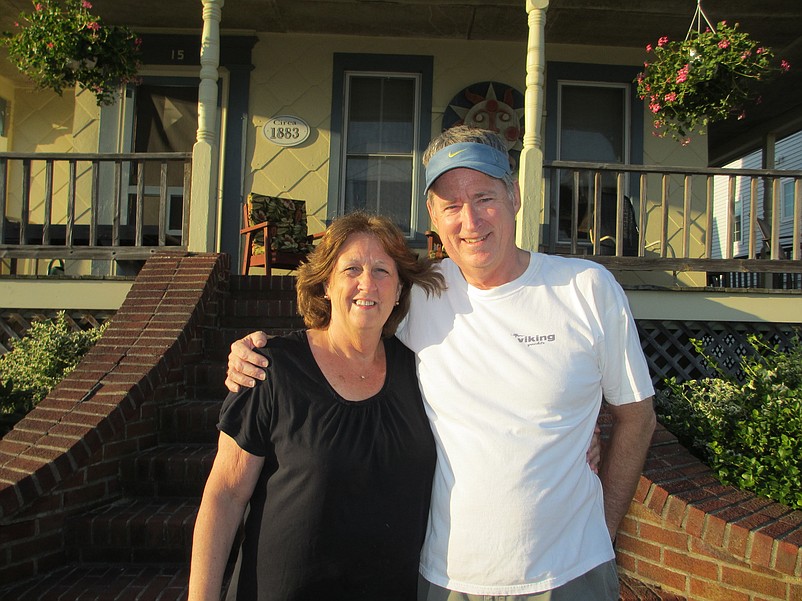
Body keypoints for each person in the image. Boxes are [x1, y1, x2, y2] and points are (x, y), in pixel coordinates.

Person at [226, 126, 657, 600]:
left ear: (514, 195)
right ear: (432, 214)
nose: (470, 220)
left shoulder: (587, 289)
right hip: (448, 580)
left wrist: (605, 529)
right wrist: (256, 350)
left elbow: (637, 418)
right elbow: (345, 330)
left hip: (573, 573)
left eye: (484, 196)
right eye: (451, 205)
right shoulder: (420, 294)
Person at [188, 212, 445, 601]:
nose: (367, 283)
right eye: (352, 269)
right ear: (325, 283)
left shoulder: (422, 370)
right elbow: (225, 494)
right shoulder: (270, 367)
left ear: (398, 291)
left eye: (382, 270)